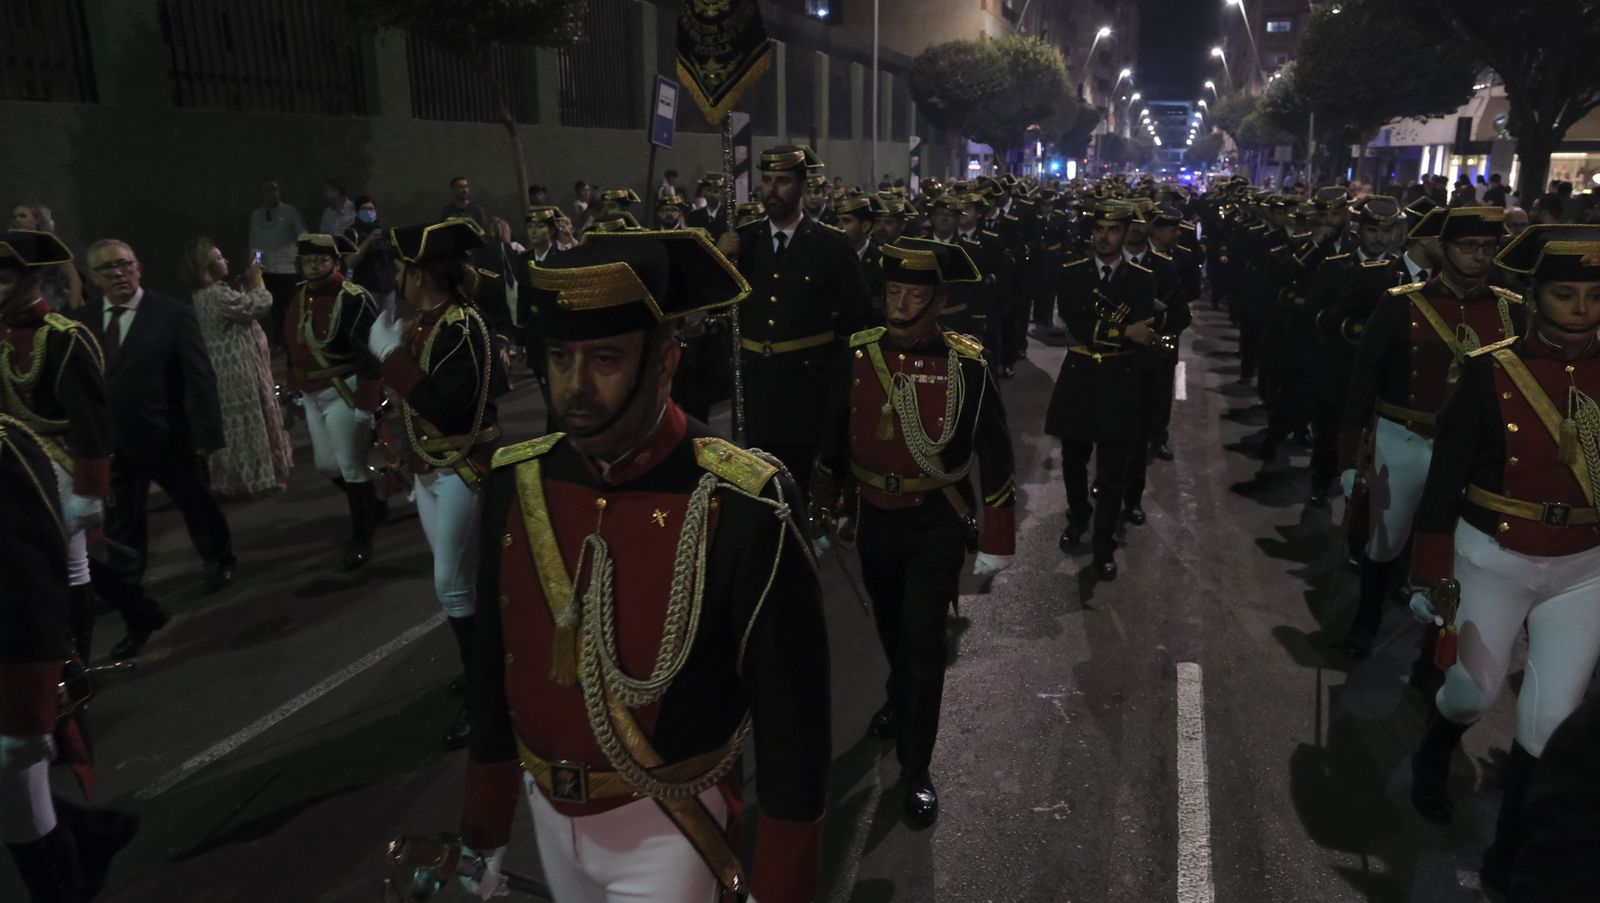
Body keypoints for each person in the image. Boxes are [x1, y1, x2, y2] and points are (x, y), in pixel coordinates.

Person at [457, 228, 829, 902]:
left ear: (665, 363)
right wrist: (484, 821)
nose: (575, 386)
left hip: (670, 828)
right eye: (560, 357)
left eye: (604, 357)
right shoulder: (518, 481)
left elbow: (791, 724)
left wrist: (783, 881)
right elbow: (492, 657)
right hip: (547, 815)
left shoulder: (744, 501)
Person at [1404, 224, 1600, 893]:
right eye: (1566, 292)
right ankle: (1433, 757)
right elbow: (1446, 477)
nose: (1580, 307)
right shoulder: (1492, 368)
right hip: (1491, 552)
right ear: (1538, 294)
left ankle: (1508, 851)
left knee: (1549, 720)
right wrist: (1432, 572)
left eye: (1593, 295)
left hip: (1583, 562)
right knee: (1469, 693)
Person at [814, 236, 1015, 826]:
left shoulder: (967, 365)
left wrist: (998, 539)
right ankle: (900, 698)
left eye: (914, 295)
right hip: (874, 515)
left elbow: (996, 453)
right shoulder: (858, 355)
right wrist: (824, 506)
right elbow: (833, 437)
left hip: (935, 521)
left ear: (938, 301)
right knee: (889, 623)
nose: (900, 306)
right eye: (894, 293)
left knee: (923, 642)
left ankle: (916, 765)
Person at [1336, 207, 1524, 659]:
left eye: (1487, 248)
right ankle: (1367, 619)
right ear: (1444, 248)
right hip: (1404, 435)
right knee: (1386, 539)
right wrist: (1348, 457)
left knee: (1458, 555)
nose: (1479, 256)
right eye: (1468, 246)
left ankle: (1433, 647)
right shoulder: (1401, 302)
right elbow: (1365, 379)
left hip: (1470, 452)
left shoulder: (1510, 310)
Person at [362, 218, 503, 750]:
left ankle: (487, 693)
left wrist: (392, 358)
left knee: (453, 585)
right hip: (429, 470)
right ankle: (482, 673)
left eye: (401, 269)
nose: (397, 278)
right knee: (461, 585)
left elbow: (446, 407)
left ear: (420, 275)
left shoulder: (462, 325)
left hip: (463, 469)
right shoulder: (427, 322)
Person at [0, 413, 137, 903]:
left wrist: (30, 704)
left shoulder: (5, 449)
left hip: (10, 668)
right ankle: (90, 833)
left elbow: (32, 586)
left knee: (21, 811)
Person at [77, 239, 233, 656]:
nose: (117, 273)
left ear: (138, 268)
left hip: (168, 436)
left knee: (194, 499)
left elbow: (199, 378)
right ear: (93, 278)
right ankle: (130, 590)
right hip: (114, 444)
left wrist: (208, 434)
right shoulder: (81, 322)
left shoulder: (171, 315)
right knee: (123, 521)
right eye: (107, 268)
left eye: (124, 264)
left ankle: (217, 556)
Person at [728, 145, 873, 494]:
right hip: (755, 385)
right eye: (767, 181)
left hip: (807, 388)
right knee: (754, 488)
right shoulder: (743, 242)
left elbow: (860, 318)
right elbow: (717, 308)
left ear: (803, 186)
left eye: (782, 181)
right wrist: (722, 260)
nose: (772, 190)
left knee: (797, 486)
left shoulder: (830, 245)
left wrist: (838, 375)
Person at [0, 230, 111, 662]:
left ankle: (76, 665)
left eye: (5, 279)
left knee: (70, 568)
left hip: (57, 466)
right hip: (13, 463)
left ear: (34, 280)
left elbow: (92, 421)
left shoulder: (65, 336)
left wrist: (90, 489)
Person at [1044, 201, 1157, 580]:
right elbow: (1075, 324)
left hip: (1118, 379)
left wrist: (1117, 333)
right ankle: (1078, 516)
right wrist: (1124, 331)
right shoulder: (1072, 273)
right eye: (1098, 229)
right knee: (1073, 461)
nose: (1103, 236)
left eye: (1112, 229)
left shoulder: (1142, 278)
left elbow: (1146, 329)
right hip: (1079, 375)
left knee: (1111, 471)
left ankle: (1104, 541)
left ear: (1126, 233)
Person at [285, 234, 385, 572]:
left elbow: (370, 354)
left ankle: (362, 538)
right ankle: (371, 503)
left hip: (346, 390)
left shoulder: (354, 298)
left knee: (351, 465)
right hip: (313, 394)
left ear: (336, 262)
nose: (313, 265)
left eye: (321, 259)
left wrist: (367, 403)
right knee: (327, 465)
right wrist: (294, 387)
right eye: (308, 260)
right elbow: (294, 347)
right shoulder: (299, 295)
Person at [180, 238, 292, 500]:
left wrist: (246, 283)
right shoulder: (215, 295)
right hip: (235, 373)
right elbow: (260, 303)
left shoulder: (214, 292)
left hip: (239, 368)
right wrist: (257, 278)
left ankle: (260, 479)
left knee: (250, 425)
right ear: (206, 266)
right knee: (247, 427)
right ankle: (252, 483)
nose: (225, 261)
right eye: (219, 257)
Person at [246, 179, 307, 352]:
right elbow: (255, 243)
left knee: (290, 308)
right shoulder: (256, 215)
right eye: (268, 189)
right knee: (272, 311)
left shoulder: (290, 212)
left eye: (275, 189)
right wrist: (255, 267)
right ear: (261, 193)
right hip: (267, 270)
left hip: (288, 270)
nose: (273, 193)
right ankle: (278, 342)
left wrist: (303, 260)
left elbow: (302, 235)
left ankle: (294, 344)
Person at [8, 204, 82, 310]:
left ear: (37, 220)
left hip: (55, 306)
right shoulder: (10, 245)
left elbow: (75, 279)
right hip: (24, 307)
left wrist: (74, 309)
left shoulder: (49, 243)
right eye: (15, 217)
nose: (18, 220)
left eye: (22, 216)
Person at [343, 194, 397, 310]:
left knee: (386, 325)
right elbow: (350, 263)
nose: (368, 212)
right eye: (364, 209)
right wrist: (368, 240)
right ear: (357, 213)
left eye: (371, 209)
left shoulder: (384, 231)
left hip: (388, 288)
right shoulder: (351, 233)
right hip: (366, 289)